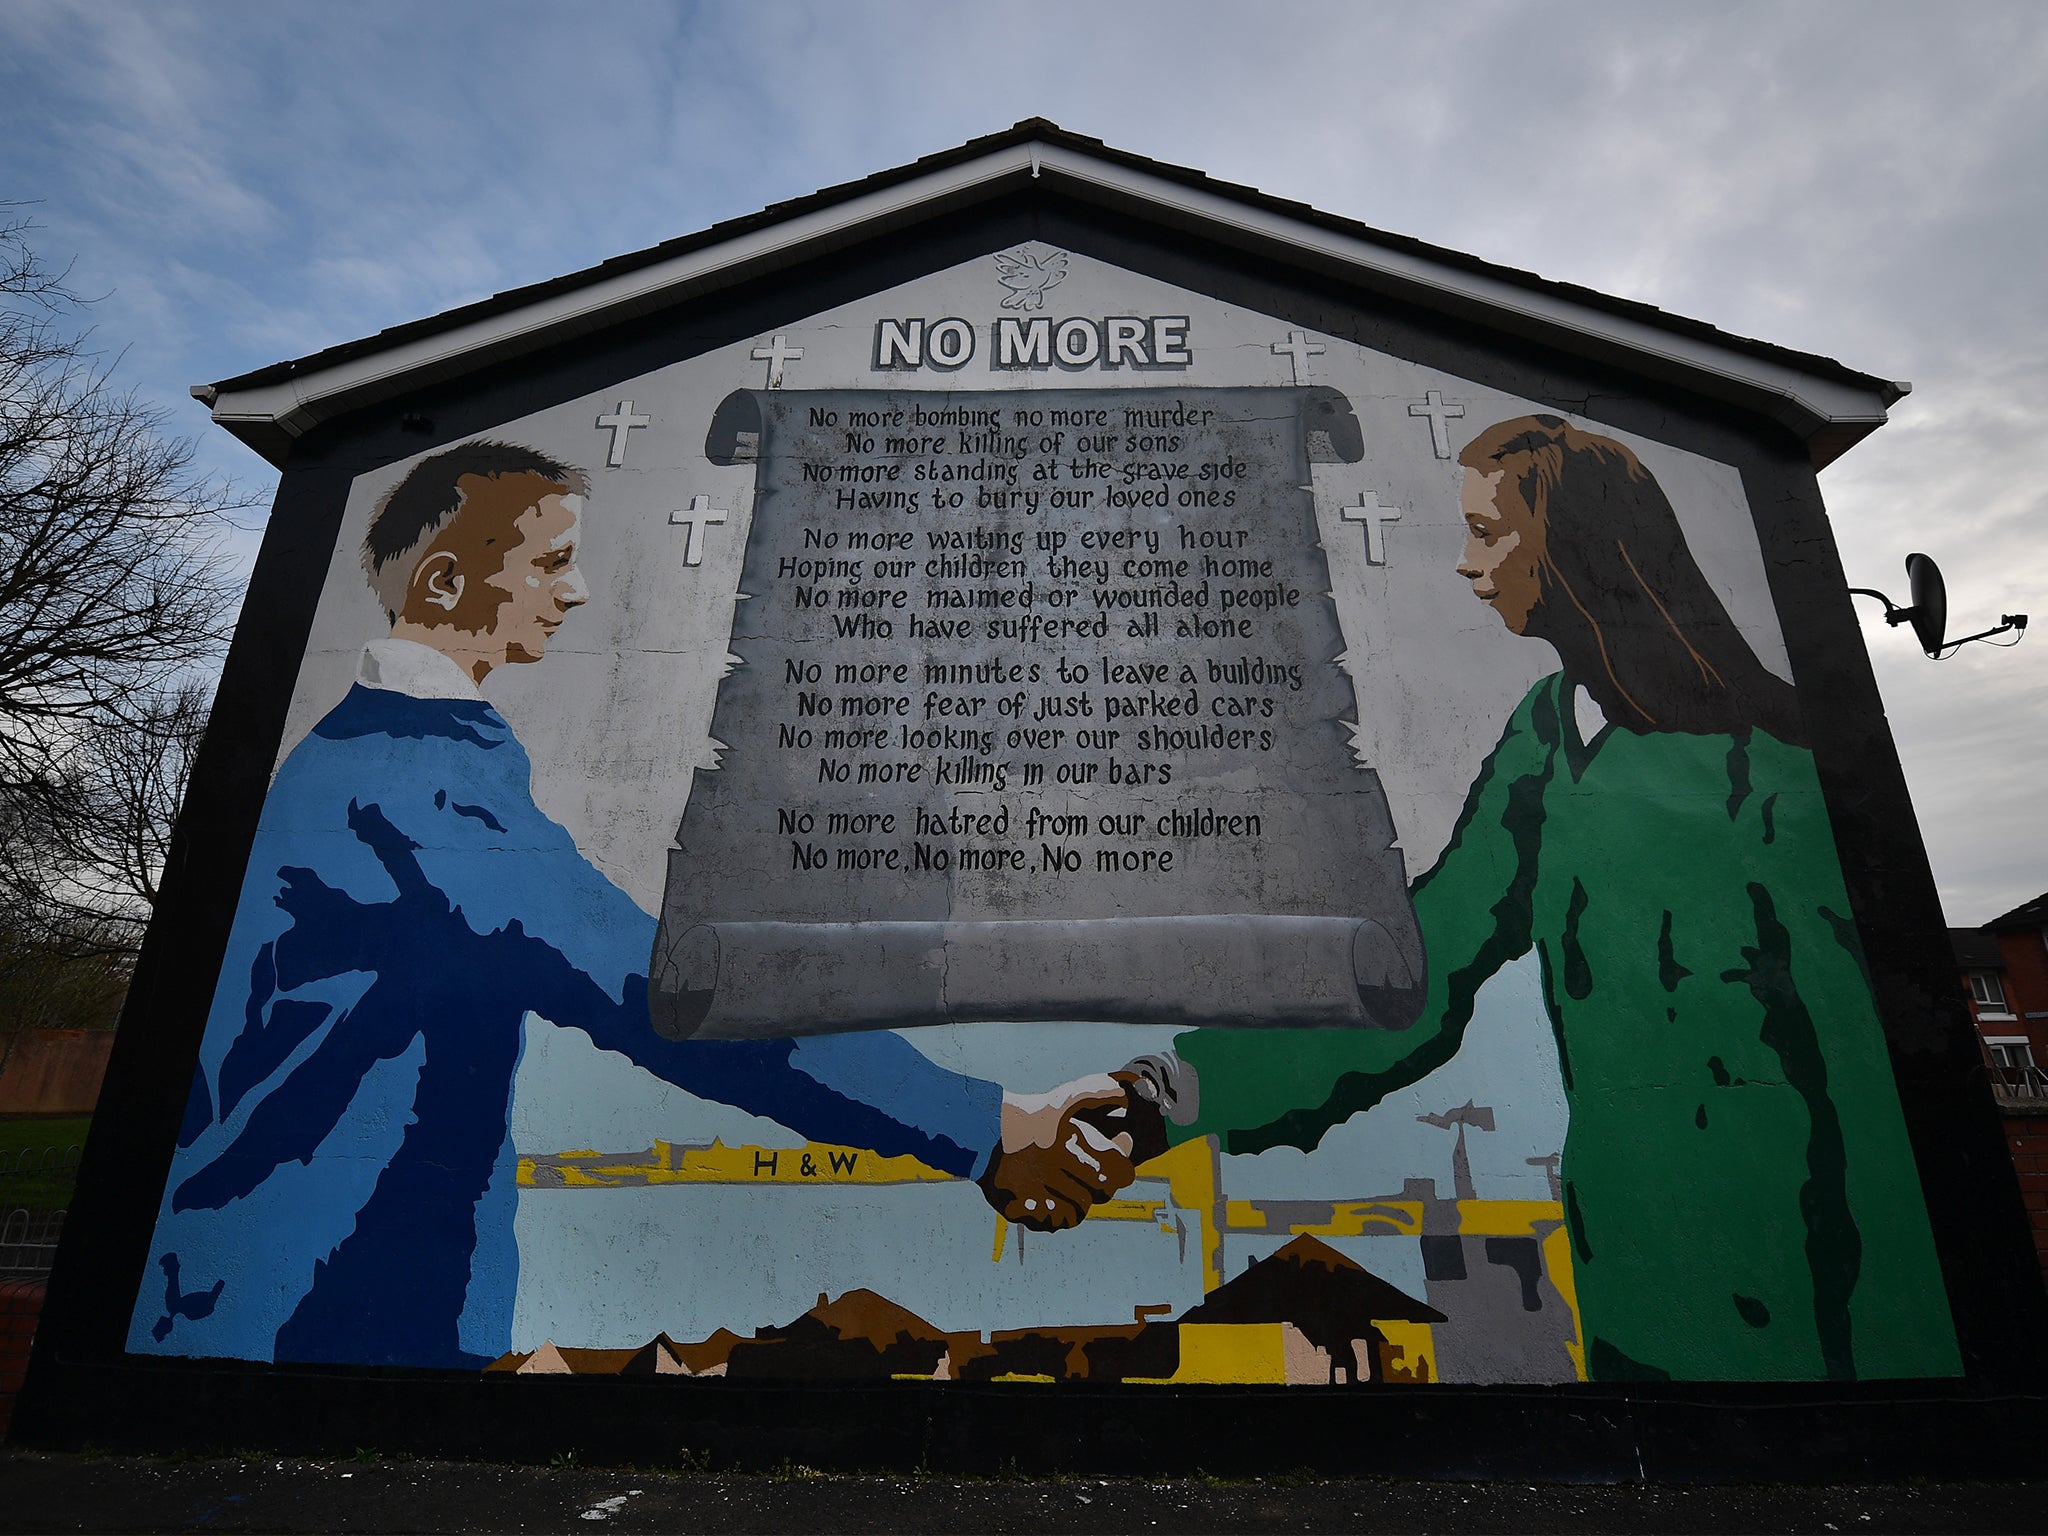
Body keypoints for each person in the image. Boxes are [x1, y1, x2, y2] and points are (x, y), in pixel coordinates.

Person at [130, 440, 1128, 1371]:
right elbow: (660, 997)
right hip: (321, 1311)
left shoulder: (365, 762)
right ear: (443, 582)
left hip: (285, 1293)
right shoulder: (415, 786)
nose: (578, 589)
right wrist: (986, 1125)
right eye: (551, 561)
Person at [1114, 416, 1959, 1382]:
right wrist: (1169, 1096)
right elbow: (1419, 969)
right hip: (1637, 1290)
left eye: (1489, 533)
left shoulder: (1779, 768)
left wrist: (1921, 1366)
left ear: (1579, 543)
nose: (1469, 567)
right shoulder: (1547, 736)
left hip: (1819, 1314)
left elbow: (1864, 1076)